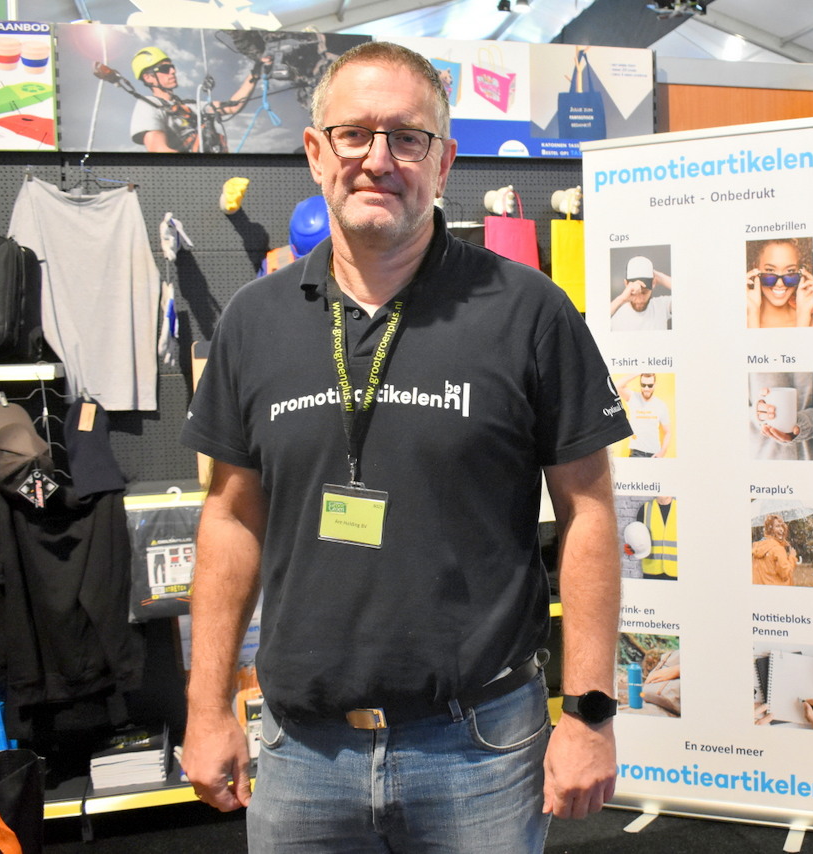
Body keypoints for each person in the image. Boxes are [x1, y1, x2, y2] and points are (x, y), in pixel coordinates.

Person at [179, 41, 631, 852]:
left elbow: (590, 512)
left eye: (407, 137)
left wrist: (590, 712)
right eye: (353, 134)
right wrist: (207, 707)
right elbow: (231, 517)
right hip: (302, 753)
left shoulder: (529, 311)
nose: (378, 159)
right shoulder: (253, 321)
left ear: (444, 161)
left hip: (481, 748)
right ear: (316, 151)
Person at [128, 45, 267, 153]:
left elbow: (232, 107)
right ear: (148, 77)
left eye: (172, 67)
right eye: (165, 69)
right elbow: (158, 149)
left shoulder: (192, 106)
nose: (173, 71)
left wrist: (255, 72)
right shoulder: (148, 105)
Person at [745, 237, 813, 328]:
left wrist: (803, 314)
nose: (779, 284)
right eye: (770, 270)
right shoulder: (738, 321)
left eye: (790, 271)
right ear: (756, 268)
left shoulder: (811, 321)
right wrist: (752, 313)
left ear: (801, 272)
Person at [609, 254, 673, 330]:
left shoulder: (662, 306)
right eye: (633, 293)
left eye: (644, 292)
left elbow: (684, 292)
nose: (640, 300)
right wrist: (621, 299)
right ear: (626, 284)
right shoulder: (616, 314)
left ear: (653, 283)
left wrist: (657, 276)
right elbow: (597, 322)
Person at [617, 372, 672, 458]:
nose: (646, 388)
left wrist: (662, 452)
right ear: (640, 384)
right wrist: (638, 372)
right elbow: (617, 386)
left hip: (654, 454)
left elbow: (668, 432)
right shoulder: (633, 397)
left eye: (650, 385)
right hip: (636, 453)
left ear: (655, 385)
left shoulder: (661, 405)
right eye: (643, 385)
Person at [635, 495, 677, 579]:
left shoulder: (683, 508)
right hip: (651, 571)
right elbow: (637, 539)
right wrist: (631, 548)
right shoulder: (645, 509)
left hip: (676, 572)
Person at [751, 514, 798, 586]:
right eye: (777, 526)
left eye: (782, 526)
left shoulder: (758, 547)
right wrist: (792, 557)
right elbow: (785, 573)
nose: (781, 529)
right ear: (770, 529)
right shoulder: (777, 549)